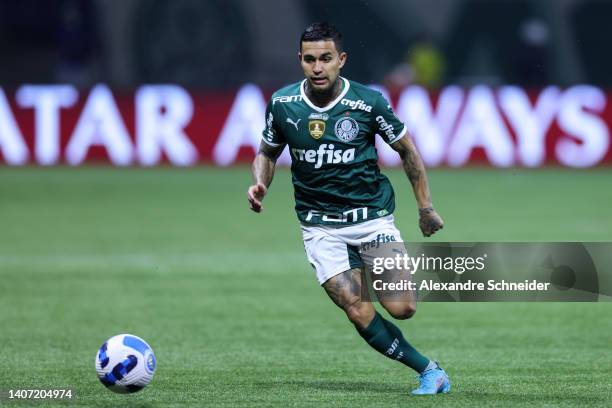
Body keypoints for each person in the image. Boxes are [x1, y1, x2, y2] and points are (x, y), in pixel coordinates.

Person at [247, 22, 450, 395]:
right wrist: (260, 182)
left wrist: (425, 208)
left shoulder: (367, 103)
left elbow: (408, 150)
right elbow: (267, 152)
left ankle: (372, 266)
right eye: (310, 60)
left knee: (403, 308)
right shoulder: (282, 103)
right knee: (357, 309)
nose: (318, 67)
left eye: (326, 59)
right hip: (320, 227)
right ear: (300, 61)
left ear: (341, 60)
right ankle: (430, 371)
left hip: (371, 219)